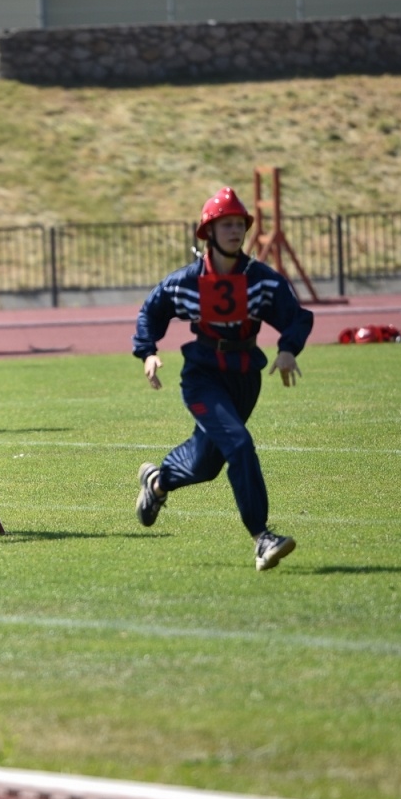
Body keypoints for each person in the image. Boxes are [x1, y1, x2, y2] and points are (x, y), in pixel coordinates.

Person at [132, 186, 313, 572]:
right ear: (208, 232)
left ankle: (157, 483)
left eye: (238, 224)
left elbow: (297, 316)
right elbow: (152, 310)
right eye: (225, 224)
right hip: (202, 376)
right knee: (240, 444)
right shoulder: (188, 281)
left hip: (246, 376)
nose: (234, 231)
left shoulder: (261, 280)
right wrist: (148, 351)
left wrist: (287, 349)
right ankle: (262, 537)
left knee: (207, 464)